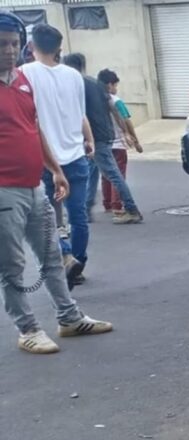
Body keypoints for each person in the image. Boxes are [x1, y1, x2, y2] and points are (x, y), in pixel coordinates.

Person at [1, 11, 113, 354]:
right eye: (2, 44)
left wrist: (54, 169)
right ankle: (28, 328)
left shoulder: (22, 81)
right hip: (5, 190)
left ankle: (68, 317)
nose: (9, 50)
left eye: (14, 44)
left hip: (35, 185)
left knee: (51, 256)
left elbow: (33, 130)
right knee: (13, 266)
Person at [20, 24, 92, 288]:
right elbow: (80, 113)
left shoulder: (24, 74)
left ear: (31, 47)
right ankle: (78, 263)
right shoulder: (74, 76)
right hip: (75, 155)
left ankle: (66, 255)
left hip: (44, 158)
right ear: (60, 48)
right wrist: (89, 139)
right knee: (78, 216)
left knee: (48, 216)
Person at [63, 52, 144, 227]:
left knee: (112, 174)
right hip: (104, 134)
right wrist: (125, 132)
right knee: (92, 172)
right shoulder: (96, 84)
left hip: (94, 137)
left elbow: (77, 113)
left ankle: (131, 209)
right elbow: (113, 110)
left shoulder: (76, 84)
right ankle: (86, 208)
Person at [97, 69, 143, 217]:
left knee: (106, 174)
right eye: (115, 85)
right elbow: (126, 120)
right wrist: (135, 140)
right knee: (118, 174)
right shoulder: (116, 101)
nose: (116, 89)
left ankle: (108, 203)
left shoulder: (96, 100)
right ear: (110, 85)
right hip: (118, 143)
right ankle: (117, 204)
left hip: (104, 143)